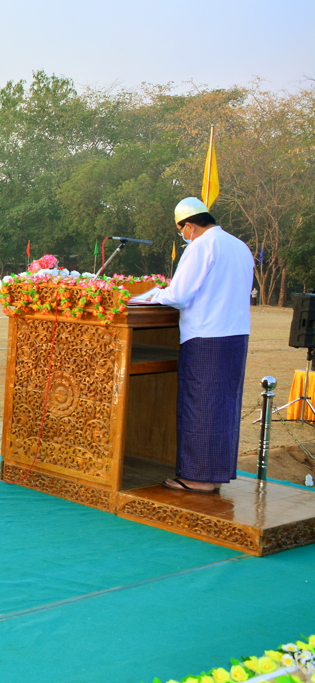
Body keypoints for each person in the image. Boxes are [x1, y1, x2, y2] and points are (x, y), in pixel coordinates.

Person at [143, 198, 254, 494]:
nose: (183, 236)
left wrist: (154, 295)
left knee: (201, 405)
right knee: (223, 406)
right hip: (236, 336)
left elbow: (179, 295)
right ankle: (214, 475)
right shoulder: (239, 246)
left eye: (181, 230)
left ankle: (197, 478)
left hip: (206, 336)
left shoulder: (201, 246)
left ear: (189, 226)